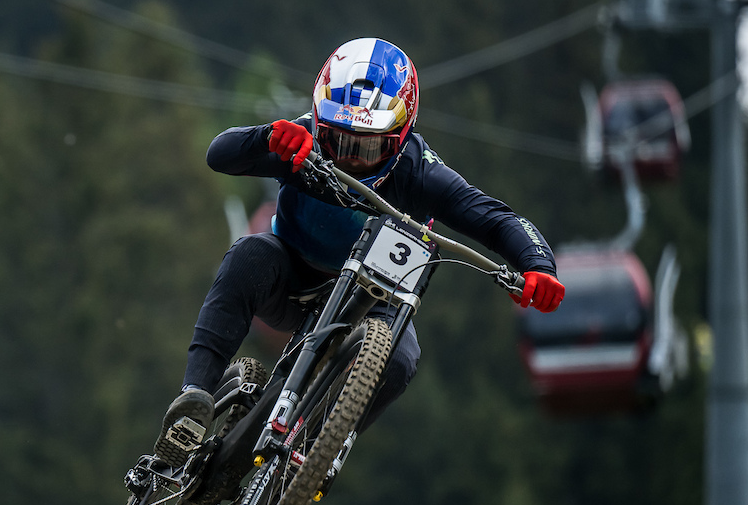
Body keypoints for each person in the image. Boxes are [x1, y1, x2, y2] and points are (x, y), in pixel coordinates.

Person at [155, 37, 565, 462]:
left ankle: (318, 451)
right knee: (248, 254)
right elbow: (218, 155)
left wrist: (538, 265)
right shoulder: (304, 140)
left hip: (374, 301)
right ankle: (194, 398)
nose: (349, 158)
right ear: (320, 120)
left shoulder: (422, 174)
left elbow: (496, 218)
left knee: (401, 357)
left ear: (400, 137)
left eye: (366, 147)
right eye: (338, 140)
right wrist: (266, 139)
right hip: (293, 275)